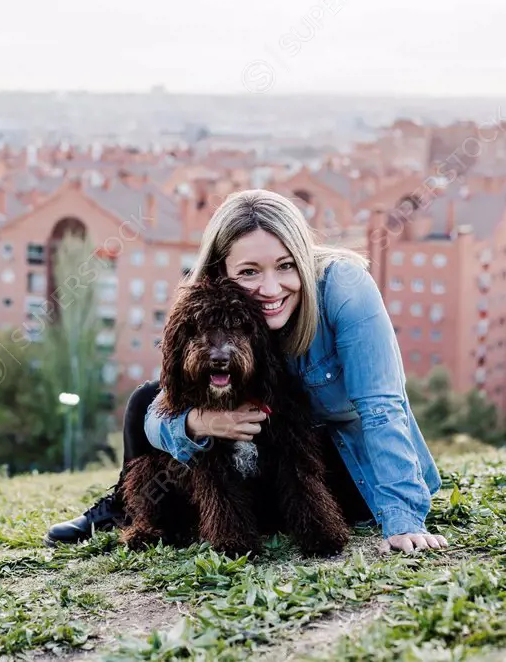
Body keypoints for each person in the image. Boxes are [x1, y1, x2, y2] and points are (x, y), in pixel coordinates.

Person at [46, 189, 448, 555]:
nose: (270, 289)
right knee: (143, 401)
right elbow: (169, 396)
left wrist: (403, 520)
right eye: (250, 272)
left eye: (286, 266)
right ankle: (129, 508)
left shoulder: (344, 288)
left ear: (304, 260)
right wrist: (199, 422)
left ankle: (231, 519)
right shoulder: (216, 306)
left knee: (290, 446)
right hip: (262, 465)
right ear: (222, 272)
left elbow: (382, 407)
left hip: (343, 462)